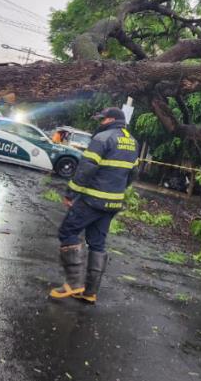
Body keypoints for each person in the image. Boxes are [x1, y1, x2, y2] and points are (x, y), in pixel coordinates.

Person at [49, 107, 139, 303]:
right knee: (97, 243)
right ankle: (90, 292)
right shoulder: (133, 142)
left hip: (92, 199)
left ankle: (73, 283)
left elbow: (86, 168)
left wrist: (71, 192)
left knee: (67, 232)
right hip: (113, 202)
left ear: (112, 119)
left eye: (103, 119)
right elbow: (132, 174)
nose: (100, 123)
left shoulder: (102, 138)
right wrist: (116, 189)